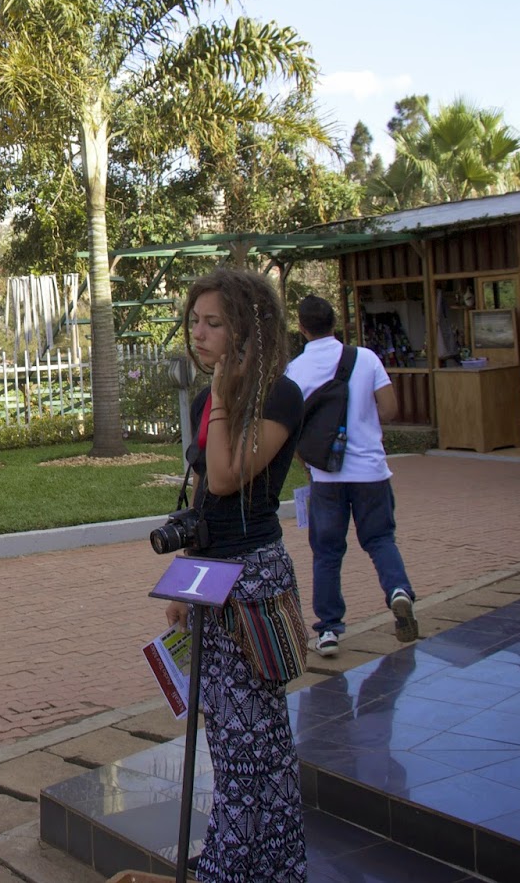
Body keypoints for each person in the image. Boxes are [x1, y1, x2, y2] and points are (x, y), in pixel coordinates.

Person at [161, 267, 307, 882]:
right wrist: (184, 576)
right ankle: (243, 859)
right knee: (225, 733)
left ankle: (252, 864)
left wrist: (222, 397)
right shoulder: (205, 401)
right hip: (213, 575)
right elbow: (206, 500)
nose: (199, 333)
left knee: (257, 737)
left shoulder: (278, 395)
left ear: (246, 328)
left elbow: (227, 477)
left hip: (253, 582)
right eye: (194, 320)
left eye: (213, 322)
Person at [284, 296, 418, 658]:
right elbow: (389, 409)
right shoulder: (367, 358)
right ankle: (398, 592)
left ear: (301, 327)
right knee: (380, 539)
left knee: (326, 552)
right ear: (335, 322)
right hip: (371, 472)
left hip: (325, 477)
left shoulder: (294, 370)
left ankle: (328, 630)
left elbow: (290, 427)